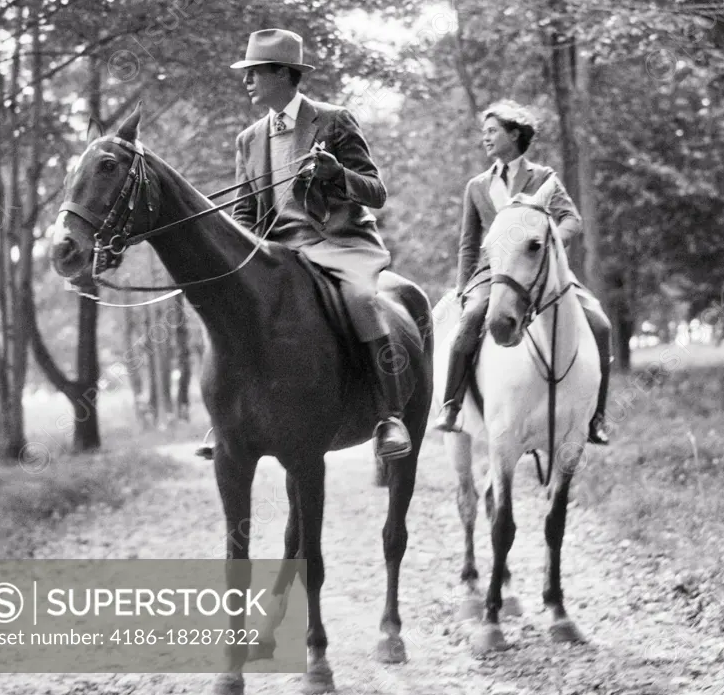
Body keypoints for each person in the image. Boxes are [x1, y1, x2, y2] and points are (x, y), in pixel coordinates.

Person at [228, 28, 411, 461]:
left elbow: (376, 191)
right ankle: (230, 416)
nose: (247, 81)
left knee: (362, 299)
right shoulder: (248, 139)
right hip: (277, 252)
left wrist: (336, 176)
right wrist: (242, 257)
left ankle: (390, 415)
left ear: (283, 73)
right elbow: (244, 214)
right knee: (231, 304)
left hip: (338, 244)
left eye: (255, 72)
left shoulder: (334, 120)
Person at [434, 99, 611, 444]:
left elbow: (571, 219)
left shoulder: (543, 178)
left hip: (542, 270)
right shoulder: (477, 186)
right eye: (483, 133)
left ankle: (596, 417)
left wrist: (548, 246)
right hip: (493, 275)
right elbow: (469, 243)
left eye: (492, 131)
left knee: (601, 324)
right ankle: (452, 406)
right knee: (470, 320)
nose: (485, 139)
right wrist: (462, 288)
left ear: (514, 134)